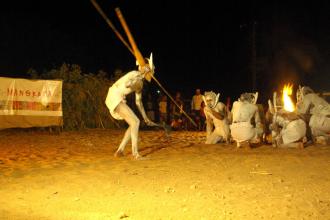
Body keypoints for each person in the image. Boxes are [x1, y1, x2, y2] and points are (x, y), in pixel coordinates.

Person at [105, 54, 157, 159]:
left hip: (117, 98)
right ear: (147, 69)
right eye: (152, 70)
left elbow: (138, 102)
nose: (153, 73)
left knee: (133, 123)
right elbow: (127, 84)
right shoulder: (134, 74)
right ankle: (135, 154)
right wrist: (140, 74)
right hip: (115, 96)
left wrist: (145, 118)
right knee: (135, 122)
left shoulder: (140, 83)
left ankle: (120, 150)